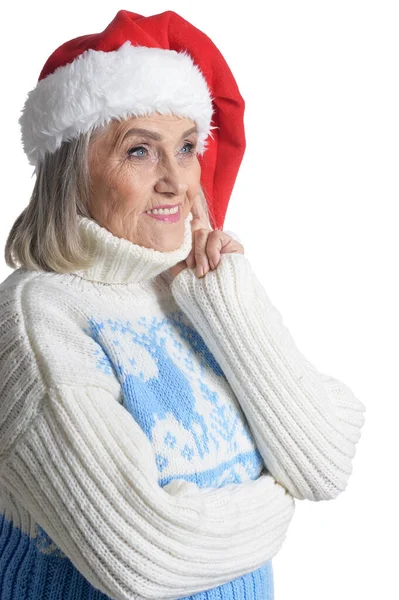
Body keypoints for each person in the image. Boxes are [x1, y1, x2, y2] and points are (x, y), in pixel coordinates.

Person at [0, 9, 366, 600]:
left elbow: (324, 463)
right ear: (71, 170)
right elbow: (142, 555)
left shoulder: (195, 293)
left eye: (188, 146)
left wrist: (227, 297)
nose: (177, 179)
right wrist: (279, 494)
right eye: (139, 152)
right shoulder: (37, 319)